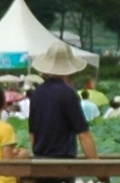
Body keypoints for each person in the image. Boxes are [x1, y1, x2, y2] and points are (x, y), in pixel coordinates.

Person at [24, 42, 97, 171]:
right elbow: (83, 134)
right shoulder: (68, 93)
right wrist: (98, 167)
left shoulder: (36, 93)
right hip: (63, 163)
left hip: (39, 162)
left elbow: (32, 134)